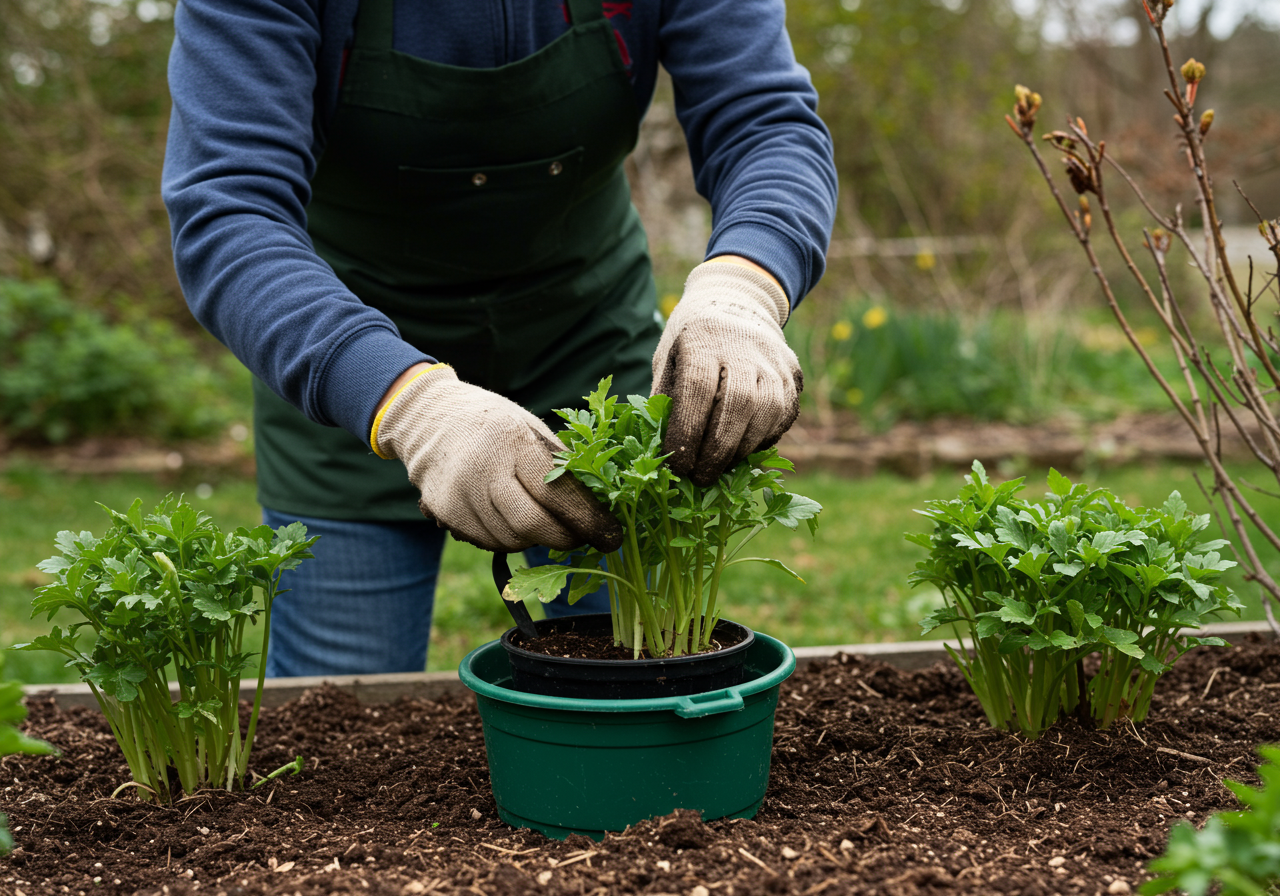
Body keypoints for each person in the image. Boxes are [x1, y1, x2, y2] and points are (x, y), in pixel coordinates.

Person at [162, 0, 838, 677]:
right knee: (343, 696)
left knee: (639, 666)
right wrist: (410, 405)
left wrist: (744, 286)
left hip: (588, 339)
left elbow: (765, 124)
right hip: (345, 359)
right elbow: (229, 209)